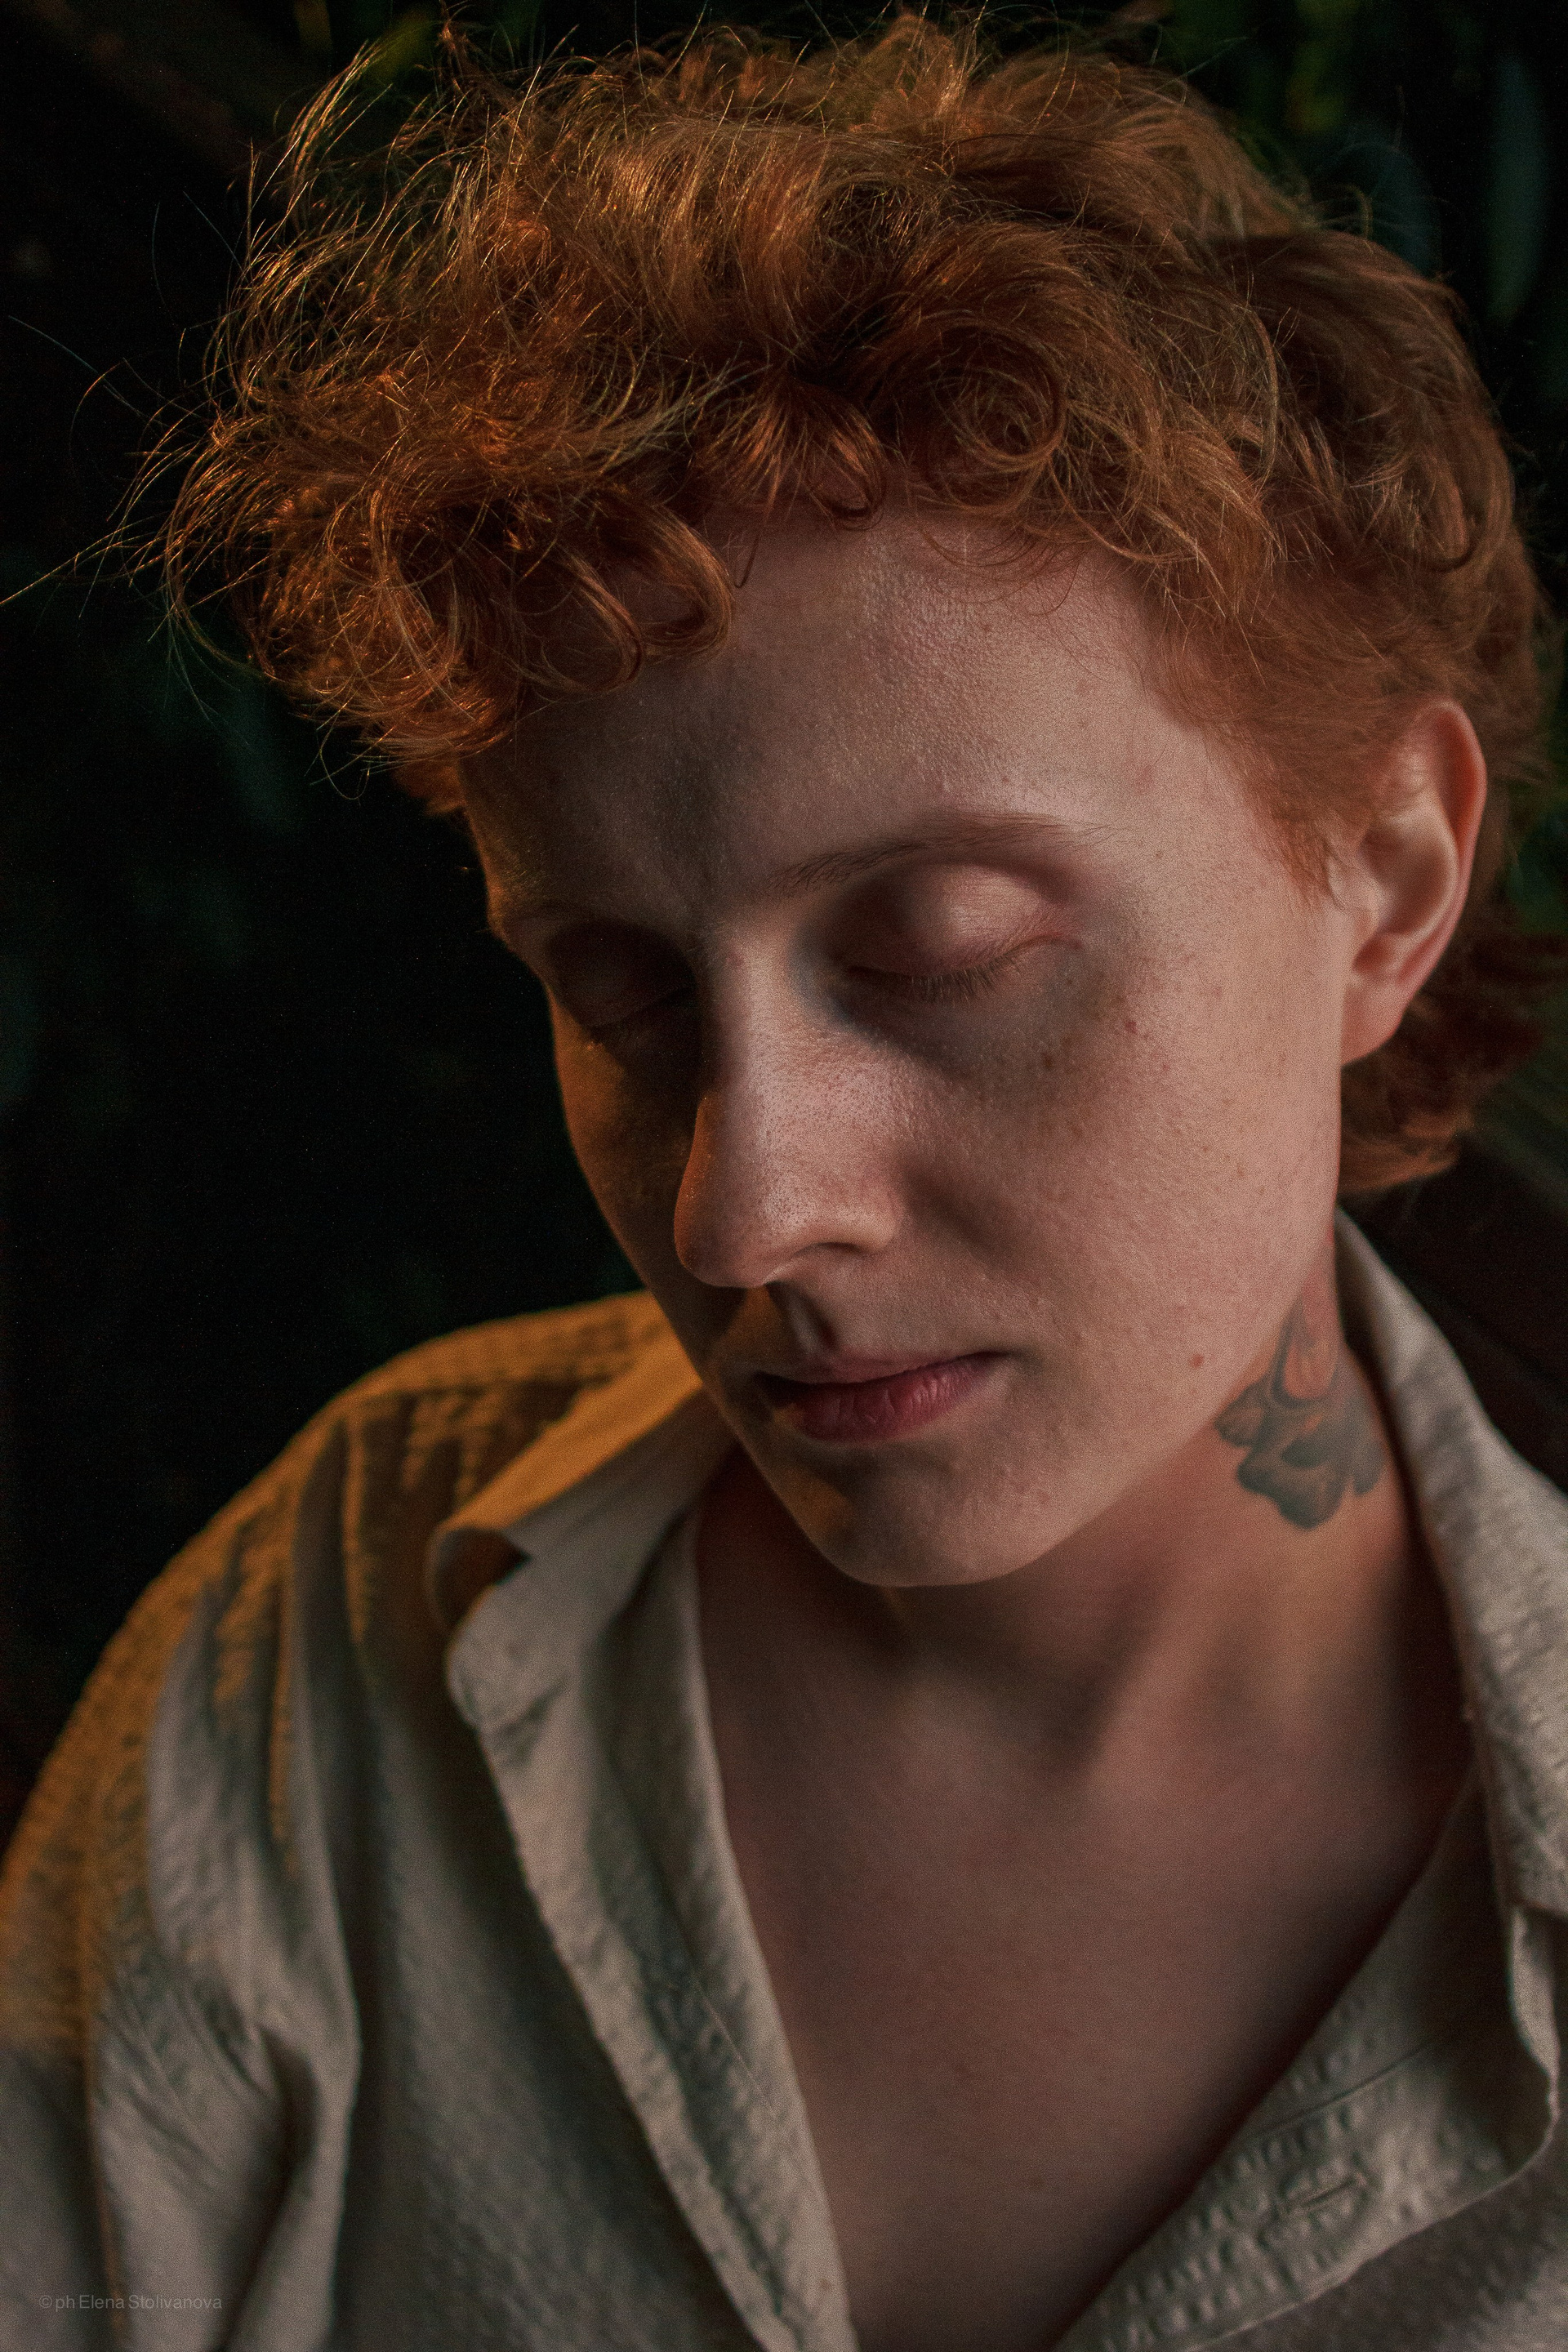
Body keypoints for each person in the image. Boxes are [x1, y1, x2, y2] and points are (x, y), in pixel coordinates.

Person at [3, 19, 1566, 2350]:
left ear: (1386, 871)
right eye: (621, 991)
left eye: (941, 952)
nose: (741, 1221)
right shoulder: (345, 1620)